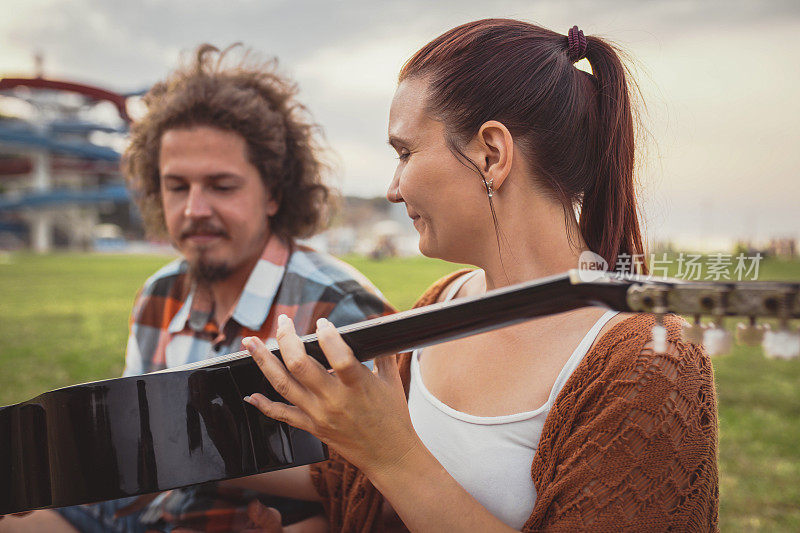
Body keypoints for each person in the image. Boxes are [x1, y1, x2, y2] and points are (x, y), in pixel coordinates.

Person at [239, 19, 719, 531]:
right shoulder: (443, 301)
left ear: (491, 153)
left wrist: (390, 453)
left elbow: (390, 463)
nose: (393, 189)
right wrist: (167, 453)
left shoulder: (649, 364)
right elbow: (352, 481)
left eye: (404, 153)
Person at [0, 44, 391, 532]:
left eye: (221, 186)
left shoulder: (339, 307)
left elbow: (378, 486)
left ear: (273, 192)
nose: (193, 210)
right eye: (177, 186)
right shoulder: (158, 295)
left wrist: (193, 459)